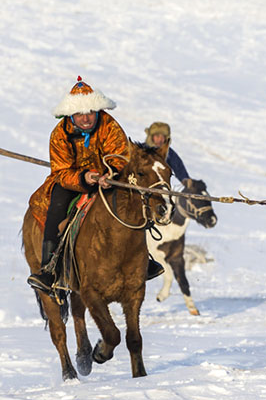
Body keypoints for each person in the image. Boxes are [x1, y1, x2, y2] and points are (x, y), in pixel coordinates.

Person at [27, 77, 164, 293]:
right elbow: (62, 171)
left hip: (108, 177)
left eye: (91, 112)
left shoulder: (109, 125)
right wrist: (84, 178)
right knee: (56, 207)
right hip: (71, 180)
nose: (86, 118)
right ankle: (49, 269)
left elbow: (120, 155)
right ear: (71, 114)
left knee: (133, 202)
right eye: (80, 114)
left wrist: (108, 174)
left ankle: (143, 258)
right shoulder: (59, 135)